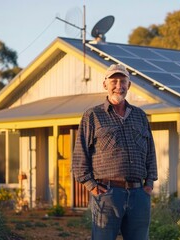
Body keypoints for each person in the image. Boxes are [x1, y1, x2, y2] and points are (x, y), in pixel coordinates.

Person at [72, 64, 158, 240]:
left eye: (123, 81)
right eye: (114, 81)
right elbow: (80, 158)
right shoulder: (93, 116)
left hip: (139, 194)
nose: (119, 85)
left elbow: (151, 153)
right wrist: (92, 186)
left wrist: (148, 184)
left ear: (129, 85)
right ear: (105, 84)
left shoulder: (140, 116)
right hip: (107, 194)